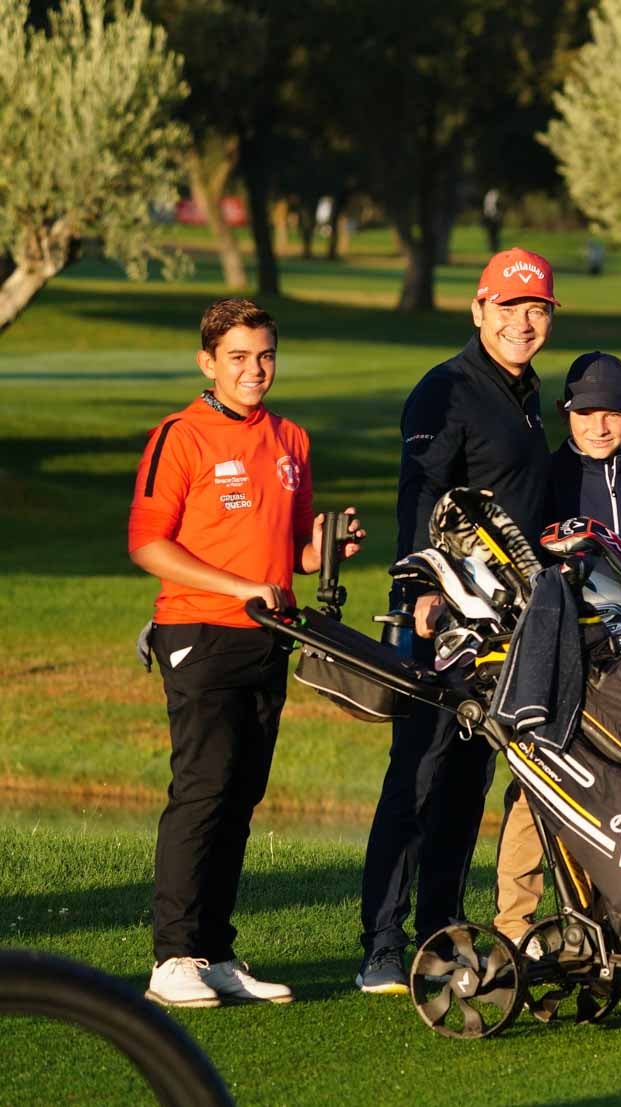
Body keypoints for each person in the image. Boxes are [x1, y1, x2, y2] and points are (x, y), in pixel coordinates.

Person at [130, 297, 364, 1007]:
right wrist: (239, 585)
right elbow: (147, 544)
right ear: (208, 362)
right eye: (238, 356)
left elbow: (294, 548)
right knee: (202, 789)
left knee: (241, 796)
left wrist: (330, 550)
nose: (254, 369)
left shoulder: (290, 438)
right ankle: (172, 957)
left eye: (264, 355)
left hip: (270, 634)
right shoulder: (180, 435)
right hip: (198, 631)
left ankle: (214, 951)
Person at [355, 247, 563, 993]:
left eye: (535, 309)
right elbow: (420, 493)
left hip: (508, 623)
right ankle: (381, 943)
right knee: (419, 773)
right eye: (508, 309)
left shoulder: (527, 391)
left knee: (467, 780)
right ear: (479, 311)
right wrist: (419, 584)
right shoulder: (446, 388)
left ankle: (437, 930)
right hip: (444, 618)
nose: (523, 322)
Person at [492, 351, 621, 949]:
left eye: (613, 413)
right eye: (585, 412)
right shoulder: (546, 478)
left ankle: (618, 916)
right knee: (537, 784)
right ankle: (517, 925)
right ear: (566, 413)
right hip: (562, 651)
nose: (599, 425)